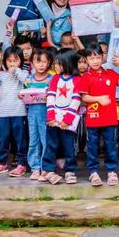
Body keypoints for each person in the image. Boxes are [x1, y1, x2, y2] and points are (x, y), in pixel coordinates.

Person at [80, 42, 119, 187]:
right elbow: (84, 98)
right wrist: (99, 99)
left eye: (97, 57)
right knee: (92, 146)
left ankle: (112, 171)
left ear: (103, 58)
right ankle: (93, 172)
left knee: (110, 146)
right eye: (91, 58)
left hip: (109, 118)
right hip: (93, 119)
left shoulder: (110, 73)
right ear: (87, 60)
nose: (95, 61)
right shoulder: (86, 77)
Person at [0, 46, 29, 176]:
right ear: (4, 61)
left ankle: (22, 163)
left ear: (21, 61)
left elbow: (26, 82)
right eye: (9, 61)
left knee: (20, 139)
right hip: (2, 113)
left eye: (15, 61)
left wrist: (16, 71)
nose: (12, 63)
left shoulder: (23, 73)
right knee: (2, 139)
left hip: (19, 112)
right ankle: (2, 163)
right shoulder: (0, 75)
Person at [41, 49, 82, 185]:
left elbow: (76, 100)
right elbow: (51, 97)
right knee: (51, 145)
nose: (55, 67)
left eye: (59, 64)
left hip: (67, 122)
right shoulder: (55, 79)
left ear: (68, 63)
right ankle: (48, 170)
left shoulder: (77, 80)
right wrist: (50, 117)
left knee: (69, 146)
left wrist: (67, 120)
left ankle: (70, 170)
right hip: (53, 120)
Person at [22, 48, 54, 180]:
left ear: (49, 63)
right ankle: (35, 168)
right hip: (32, 115)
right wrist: (21, 95)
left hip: (47, 115)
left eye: (44, 62)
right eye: (37, 61)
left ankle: (46, 167)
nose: (41, 65)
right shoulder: (28, 79)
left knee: (46, 141)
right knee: (33, 141)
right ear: (32, 63)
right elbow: (24, 95)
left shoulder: (52, 79)